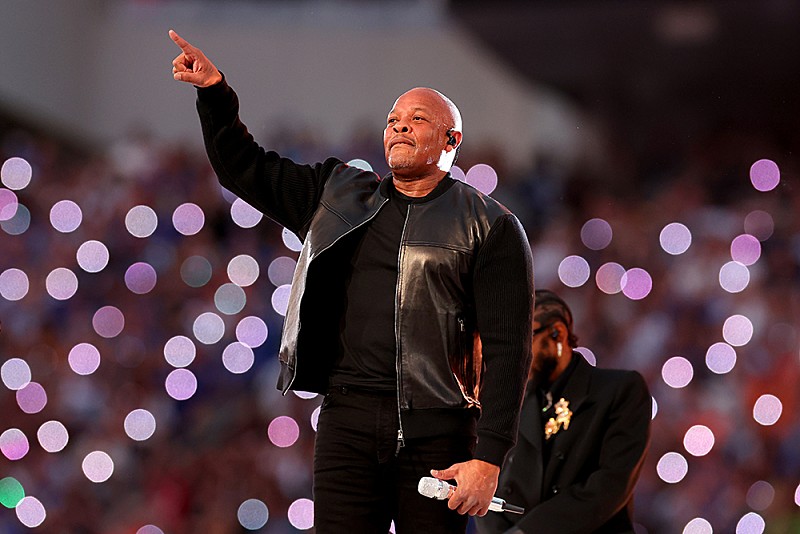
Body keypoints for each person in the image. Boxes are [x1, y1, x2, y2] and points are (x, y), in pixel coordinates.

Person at [169, 30, 535, 533]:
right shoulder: (336, 194)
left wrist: (489, 457)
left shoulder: (490, 225)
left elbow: (509, 350)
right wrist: (214, 94)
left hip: (439, 431)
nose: (399, 126)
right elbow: (244, 169)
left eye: (417, 119)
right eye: (393, 120)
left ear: (452, 141)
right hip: (346, 422)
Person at [476, 289, 651, 534]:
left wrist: (527, 532)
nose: (513, 357)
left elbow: (610, 485)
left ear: (557, 333)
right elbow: (488, 477)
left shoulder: (618, 390)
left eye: (521, 341)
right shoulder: (511, 401)